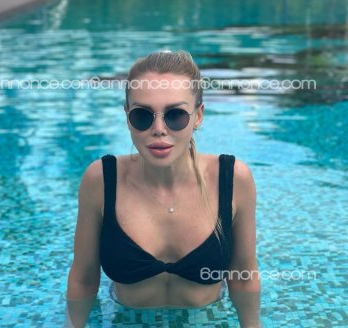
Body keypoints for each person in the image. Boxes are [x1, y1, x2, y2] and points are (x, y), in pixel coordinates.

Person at [66, 50, 261, 327]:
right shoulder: (101, 180)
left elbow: (243, 275)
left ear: (198, 116)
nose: (158, 128)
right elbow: (84, 279)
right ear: (127, 116)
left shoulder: (232, 178)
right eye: (142, 116)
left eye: (175, 115)